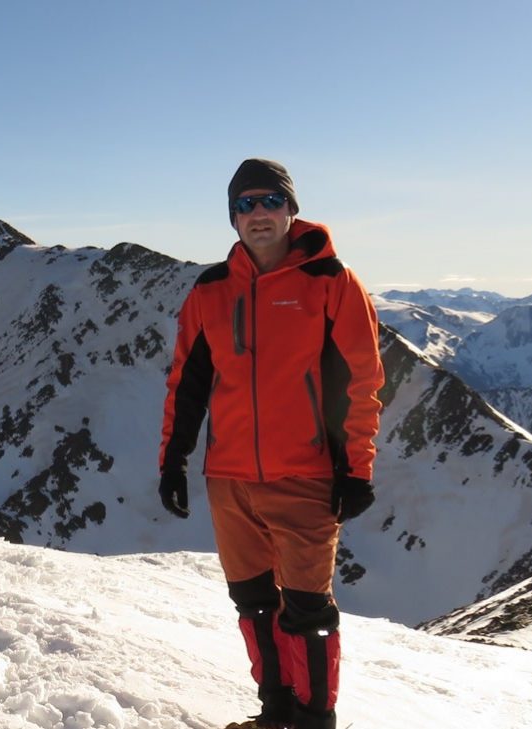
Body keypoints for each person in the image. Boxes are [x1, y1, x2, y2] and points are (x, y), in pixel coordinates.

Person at [157, 158, 385, 729]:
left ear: (291, 209)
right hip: (230, 480)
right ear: (232, 217)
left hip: (305, 474)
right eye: (244, 204)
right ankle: (275, 713)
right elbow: (187, 383)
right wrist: (173, 461)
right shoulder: (210, 291)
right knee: (254, 605)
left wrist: (356, 469)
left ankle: (312, 721)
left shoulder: (331, 281)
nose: (257, 214)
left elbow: (363, 382)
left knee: (306, 610)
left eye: (269, 201)